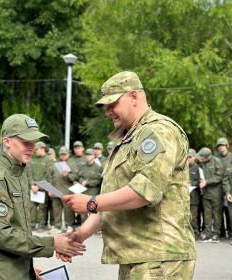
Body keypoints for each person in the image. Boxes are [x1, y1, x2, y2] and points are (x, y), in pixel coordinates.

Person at [63, 71, 196, 279]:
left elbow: (144, 192)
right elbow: (114, 200)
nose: (108, 112)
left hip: (158, 257)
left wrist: (91, 202)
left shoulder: (157, 132)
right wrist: (82, 233)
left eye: (112, 104)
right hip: (138, 257)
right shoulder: (129, 139)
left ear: (134, 97)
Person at [0, 114, 85, 280]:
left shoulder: (19, 175)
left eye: (33, 142)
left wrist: (28, 271)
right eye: (25, 141)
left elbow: (19, 231)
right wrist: (52, 243)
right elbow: (1, 235)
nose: (31, 146)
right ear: (7, 141)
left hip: (14, 270)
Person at [196, 147, 225, 243]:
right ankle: (208, 233)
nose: (201, 159)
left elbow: (219, 177)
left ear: (208, 157)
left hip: (216, 192)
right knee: (207, 213)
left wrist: (207, 182)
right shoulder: (201, 163)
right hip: (205, 192)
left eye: (203, 158)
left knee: (216, 213)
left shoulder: (218, 162)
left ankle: (216, 233)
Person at [27, 141, 54, 231]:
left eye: (36, 149)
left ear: (42, 149)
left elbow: (48, 175)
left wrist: (39, 186)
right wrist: (32, 185)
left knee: (43, 207)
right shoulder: (33, 159)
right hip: (33, 187)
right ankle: (32, 224)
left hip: (42, 187)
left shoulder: (48, 160)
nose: (35, 151)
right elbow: (29, 173)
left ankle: (42, 225)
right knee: (32, 207)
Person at [49, 146, 75, 234]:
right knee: (56, 209)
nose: (63, 156)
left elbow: (75, 177)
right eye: (61, 154)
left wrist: (67, 175)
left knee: (68, 209)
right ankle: (57, 226)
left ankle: (69, 226)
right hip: (56, 190)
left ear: (68, 154)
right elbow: (51, 177)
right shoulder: (56, 164)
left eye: (64, 154)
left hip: (67, 191)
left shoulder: (71, 164)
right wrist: (50, 189)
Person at [214, 137, 232, 239]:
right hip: (217, 188)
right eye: (219, 146)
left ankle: (230, 231)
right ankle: (221, 231)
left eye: (222, 145)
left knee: (229, 210)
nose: (221, 148)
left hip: (228, 187)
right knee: (218, 210)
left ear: (226, 146)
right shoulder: (215, 157)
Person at [77, 148, 102, 223]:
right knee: (83, 211)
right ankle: (84, 226)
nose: (87, 156)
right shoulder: (82, 166)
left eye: (89, 155)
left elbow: (99, 181)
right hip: (83, 191)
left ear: (94, 156)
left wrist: (88, 183)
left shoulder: (98, 167)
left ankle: (94, 228)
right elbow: (79, 176)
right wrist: (82, 181)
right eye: (86, 154)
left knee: (93, 211)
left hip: (93, 192)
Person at [188, 148, 201, 239]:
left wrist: (192, 183)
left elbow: (201, 182)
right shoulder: (182, 167)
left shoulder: (198, 168)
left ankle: (195, 233)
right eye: (187, 157)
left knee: (193, 217)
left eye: (190, 157)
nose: (188, 159)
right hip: (184, 197)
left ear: (194, 158)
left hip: (194, 197)